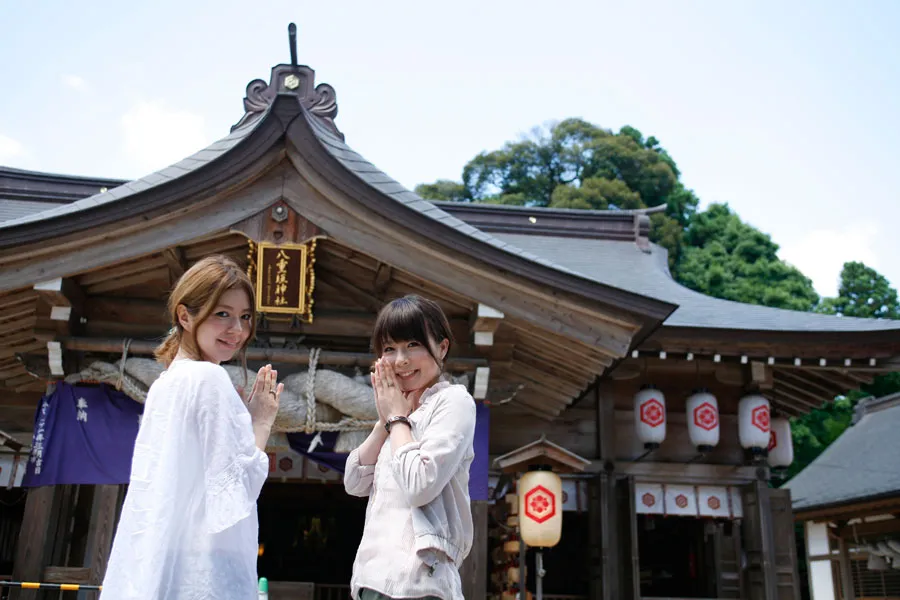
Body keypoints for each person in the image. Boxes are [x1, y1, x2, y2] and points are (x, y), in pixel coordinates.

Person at [100, 255, 283, 600]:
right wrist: (260, 421)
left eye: (245, 317)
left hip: (155, 560)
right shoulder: (209, 378)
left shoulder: (164, 384)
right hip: (200, 572)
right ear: (185, 316)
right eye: (222, 314)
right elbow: (234, 491)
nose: (238, 330)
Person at [344, 295, 477, 600]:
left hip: (419, 583)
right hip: (372, 579)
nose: (400, 360)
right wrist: (385, 421)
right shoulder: (400, 417)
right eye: (390, 349)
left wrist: (396, 418)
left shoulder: (453, 401)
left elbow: (420, 484)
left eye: (413, 345)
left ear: (442, 348)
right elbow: (354, 481)